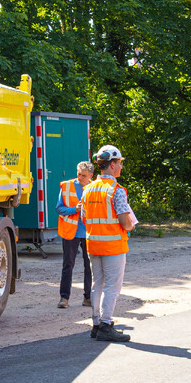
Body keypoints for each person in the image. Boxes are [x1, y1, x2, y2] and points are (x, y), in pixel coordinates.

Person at [81, 145, 139, 343]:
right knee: (112, 287)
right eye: (120, 163)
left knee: (98, 284)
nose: (121, 167)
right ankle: (106, 324)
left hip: (93, 245)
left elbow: (84, 218)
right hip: (113, 246)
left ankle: (96, 324)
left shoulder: (88, 189)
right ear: (112, 165)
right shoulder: (117, 190)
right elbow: (125, 221)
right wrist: (131, 227)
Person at [55, 160, 94, 309]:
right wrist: (74, 210)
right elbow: (59, 209)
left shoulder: (95, 187)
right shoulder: (67, 186)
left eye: (84, 175)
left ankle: (88, 297)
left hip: (89, 232)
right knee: (68, 265)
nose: (80, 177)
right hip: (71, 232)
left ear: (91, 175)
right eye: (78, 174)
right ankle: (64, 298)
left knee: (89, 265)